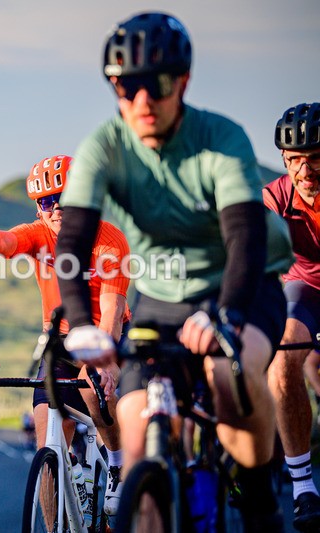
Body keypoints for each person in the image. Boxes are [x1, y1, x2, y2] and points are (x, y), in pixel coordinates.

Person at [53, 11, 294, 531]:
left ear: (181, 82)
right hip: (162, 296)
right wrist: (83, 325)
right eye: (126, 86)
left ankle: (259, 501)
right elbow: (71, 242)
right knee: (136, 440)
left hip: (242, 283)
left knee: (229, 375)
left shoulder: (220, 138)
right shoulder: (106, 144)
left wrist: (224, 315)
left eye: (156, 85)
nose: (142, 101)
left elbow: (245, 238)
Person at [0, 155, 132, 515]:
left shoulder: (109, 240)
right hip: (62, 341)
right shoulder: (39, 233)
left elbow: (112, 310)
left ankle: (117, 464)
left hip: (106, 335)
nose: (55, 209)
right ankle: (60, 503)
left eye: (62, 198)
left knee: (97, 394)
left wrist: (106, 364)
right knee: (45, 442)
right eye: (45, 202)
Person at [264, 102, 320, 531]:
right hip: (304, 288)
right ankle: (303, 486)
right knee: (285, 361)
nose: (306, 171)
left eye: (316, 159)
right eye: (296, 160)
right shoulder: (275, 196)